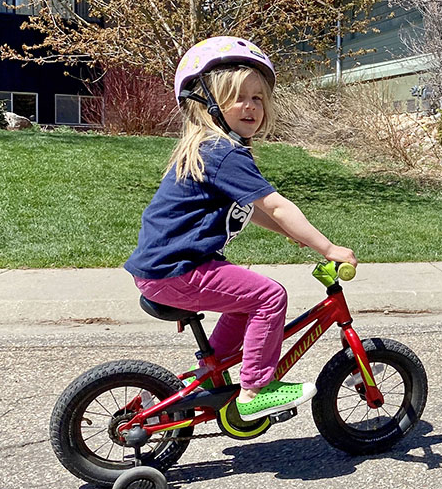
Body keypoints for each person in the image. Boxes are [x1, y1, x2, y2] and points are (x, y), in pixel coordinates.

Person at [124, 36, 357, 421]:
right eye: (238, 98)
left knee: (246, 304)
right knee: (269, 297)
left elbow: (250, 210)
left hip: (166, 269)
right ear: (208, 105)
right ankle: (256, 389)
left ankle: (211, 372)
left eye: (258, 98)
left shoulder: (209, 148)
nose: (251, 106)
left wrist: (293, 234)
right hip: (178, 270)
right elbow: (276, 205)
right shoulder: (223, 152)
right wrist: (329, 248)